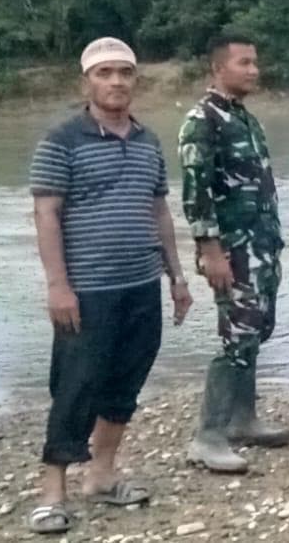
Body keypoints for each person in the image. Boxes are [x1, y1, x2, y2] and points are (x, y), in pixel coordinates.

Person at [26, 37, 194, 533]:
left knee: (126, 382)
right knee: (76, 386)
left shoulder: (147, 141)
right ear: (87, 82)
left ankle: (101, 475)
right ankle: (52, 490)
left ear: (134, 80)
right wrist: (58, 285)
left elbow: (158, 209)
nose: (116, 81)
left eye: (124, 72)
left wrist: (177, 276)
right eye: (105, 73)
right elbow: (46, 213)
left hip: (141, 284)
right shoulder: (61, 140)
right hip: (87, 290)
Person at [179, 34, 289, 474]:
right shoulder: (201, 121)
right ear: (218, 69)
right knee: (237, 338)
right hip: (232, 251)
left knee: (257, 332)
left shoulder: (244, 119)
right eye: (244, 63)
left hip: (262, 246)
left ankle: (244, 419)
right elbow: (196, 193)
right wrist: (211, 251)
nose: (253, 70)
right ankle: (208, 435)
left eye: (255, 63)